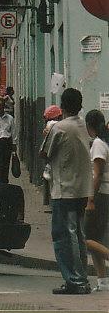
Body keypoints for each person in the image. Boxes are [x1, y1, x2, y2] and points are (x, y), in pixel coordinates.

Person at [40, 87, 92, 295]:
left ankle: (74, 279)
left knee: (63, 235)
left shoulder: (60, 128)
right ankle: (81, 278)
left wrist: (46, 133)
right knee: (77, 233)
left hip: (64, 188)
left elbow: (44, 153)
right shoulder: (82, 126)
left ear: (62, 106)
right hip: (81, 188)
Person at [85, 109, 109, 291]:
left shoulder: (99, 144)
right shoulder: (102, 142)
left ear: (89, 126)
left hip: (101, 195)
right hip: (103, 195)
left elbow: (97, 175)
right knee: (96, 239)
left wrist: (90, 199)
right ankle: (102, 281)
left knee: (86, 239)